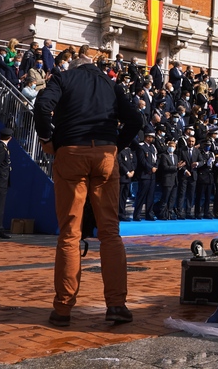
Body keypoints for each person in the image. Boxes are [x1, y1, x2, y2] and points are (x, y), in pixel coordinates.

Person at [34, 54, 143, 327]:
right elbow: (136, 120)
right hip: (105, 153)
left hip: (71, 151)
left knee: (70, 233)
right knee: (110, 232)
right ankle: (117, 304)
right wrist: (116, 144)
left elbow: (42, 106)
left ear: (74, 67)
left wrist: (48, 139)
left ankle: (63, 308)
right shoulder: (109, 83)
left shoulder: (63, 77)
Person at [133, 131, 158, 221]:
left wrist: (155, 167)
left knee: (150, 196)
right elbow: (142, 160)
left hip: (152, 176)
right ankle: (137, 215)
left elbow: (156, 159)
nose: (152, 139)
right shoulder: (141, 147)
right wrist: (150, 168)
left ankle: (149, 214)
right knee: (141, 195)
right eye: (151, 137)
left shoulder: (152, 147)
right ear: (147, 137)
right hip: (144, 175)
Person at [117, 143, 137, 221]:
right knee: (119, 197)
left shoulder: (129, 151)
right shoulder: (120, 151)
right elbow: (120, 163)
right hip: (122, 177)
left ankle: (122, 213)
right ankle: (118, 213)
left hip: (129, 178)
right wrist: (127, 172)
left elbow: (133, 162)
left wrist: (133, 171)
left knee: (124, 197)